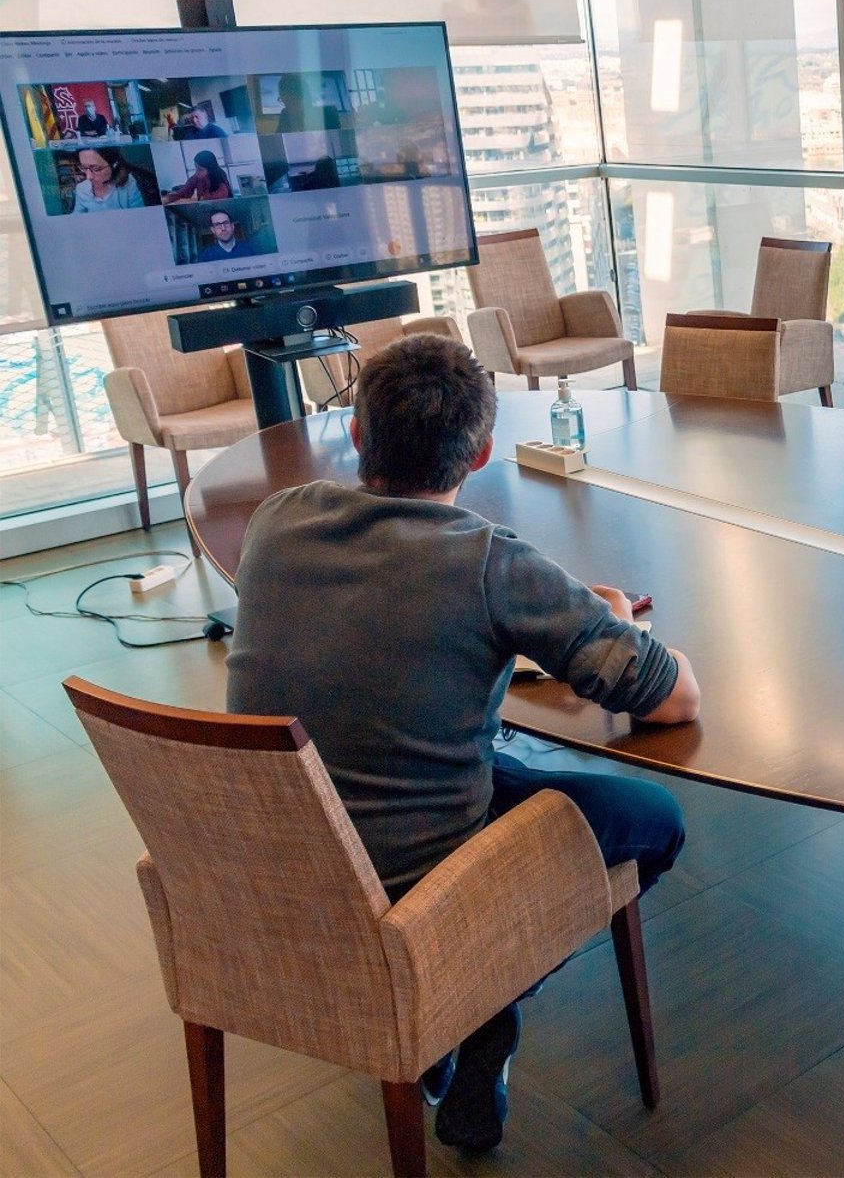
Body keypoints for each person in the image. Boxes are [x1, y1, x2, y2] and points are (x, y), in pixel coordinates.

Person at [226, 334, 695, 1152]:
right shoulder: (488, 563)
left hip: (279, 857)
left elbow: (389, 631)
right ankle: (472, 1001)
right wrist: (608, 620)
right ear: (480, 455)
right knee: (655, 817)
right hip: (419, 874)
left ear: (361, 437)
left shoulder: (276, 520)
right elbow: (672, 698)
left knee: (498, 767)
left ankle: (467, 1015)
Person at [66, 147, 145, 213]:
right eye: (83, 167)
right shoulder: (81, 189)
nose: (88, 177)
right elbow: (77, 219)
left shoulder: (129, 183)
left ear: (114, 165)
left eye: (96, 168)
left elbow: (140, 216)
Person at [275, 72, 341, 131]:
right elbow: (277, 141)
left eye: (288, 100)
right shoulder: (285, 114)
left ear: (302, 97)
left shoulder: (329, 114)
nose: (286, 105)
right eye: (282, 100)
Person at [162, 150, 231, 203]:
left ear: (210, 170)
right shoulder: (197, 177)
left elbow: (220, 196)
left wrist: (199, 198)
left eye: (200, 169)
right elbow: (183, 192)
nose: (196, 172)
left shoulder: (220, 178)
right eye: (196, 168)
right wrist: (167, 199)